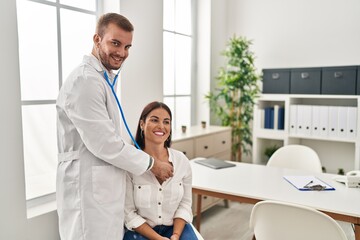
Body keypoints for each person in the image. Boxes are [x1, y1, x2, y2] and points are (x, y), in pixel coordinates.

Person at [56, 13, 173, 240]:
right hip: (87, 194)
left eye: (127, 46)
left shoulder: (102, 79)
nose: (122, 53)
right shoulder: (85, 81)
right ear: (97, 39)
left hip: (102, 193)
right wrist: (152, 164)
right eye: (115, 43)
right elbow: (105, 144)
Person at [123, 101, 198, 240]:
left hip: (175, 228)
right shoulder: (131, 164)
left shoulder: (181, 161)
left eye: (166, 122)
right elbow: (129, 213)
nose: (161, 126)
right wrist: (158, 239)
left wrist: (175, 235)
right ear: (142, 124)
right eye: (154, 120)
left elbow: (185, 204)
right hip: (141, 231)